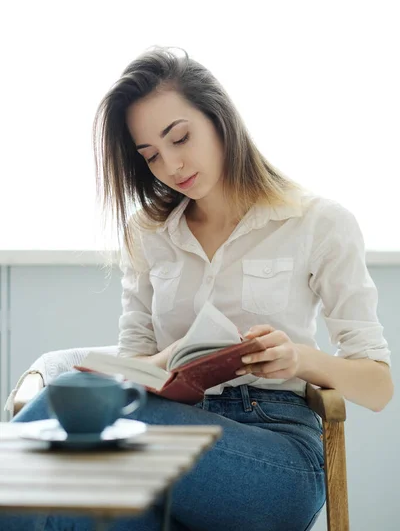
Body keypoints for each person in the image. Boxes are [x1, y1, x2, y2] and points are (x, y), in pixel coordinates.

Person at [2, 46, 393, 531]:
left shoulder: (318, 222)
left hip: (274, 454)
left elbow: (379, 387)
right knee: (72, 514)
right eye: (151, 156)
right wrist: (163, 363)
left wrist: (299, 358)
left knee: (73, 412)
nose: (170, 165)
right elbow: (135, 363)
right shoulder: (148, 233)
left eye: (180, 138)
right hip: (162, 440)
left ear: (219, 118)